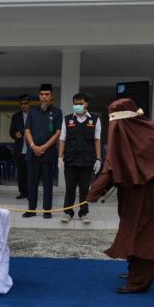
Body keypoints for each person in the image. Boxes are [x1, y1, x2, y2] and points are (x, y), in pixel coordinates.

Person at [86, 98, 154, 294]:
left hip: (153, 198)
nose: (114, 129)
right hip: (131, 197)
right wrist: (94, 192)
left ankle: (139, 282)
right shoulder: (122, 137)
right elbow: (111, 168)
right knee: (131, 233)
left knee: (147, 237)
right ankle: (135, 271)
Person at [58, 93, 102, 224]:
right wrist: (60, 157)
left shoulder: (94, 119)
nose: (78, 106)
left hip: (87, 160)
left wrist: (98, 159)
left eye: (80, 103)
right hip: (71, 160)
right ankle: (68, 213)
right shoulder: (67, 120)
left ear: (86, 104)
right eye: (75, 104)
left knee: (84, 189)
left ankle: (83, 213)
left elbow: (97, 140)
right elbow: (62, 139)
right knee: (70, 188)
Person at [24, 83, 62, 219]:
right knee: (32, 182)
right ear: (39, 96)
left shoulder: (57, 112)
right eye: (42, 94)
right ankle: (31, 209)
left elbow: (58, 132)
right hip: (32, 153)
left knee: (48, 183)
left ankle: (47, 210)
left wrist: (44, 147)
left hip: (48, 154)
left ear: (52, 96)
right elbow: (27, 130)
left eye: (47, 94)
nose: (44, 97)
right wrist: (33, 146)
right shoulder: (32, 111)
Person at [9, 94, 30, 199]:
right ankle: (22, 192)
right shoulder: (16, 116)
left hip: (31, 149)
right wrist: (15, 134)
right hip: (20, 149)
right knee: (21, 173)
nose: (23, 106)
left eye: (25, 103)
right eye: (21, 104)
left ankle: (31, 193)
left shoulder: (34, 115)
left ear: (29, 104)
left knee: (30, 173)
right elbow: (11, 131)